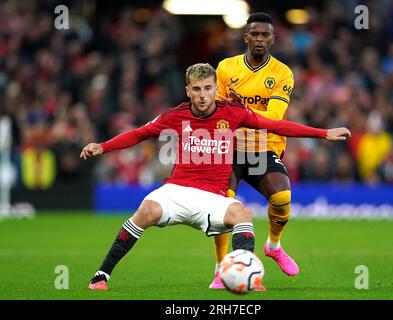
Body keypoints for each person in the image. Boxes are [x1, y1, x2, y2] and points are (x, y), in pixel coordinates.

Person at [80, 63, 350, 291]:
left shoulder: (233, 113)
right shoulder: (174, 116)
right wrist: (102, 146)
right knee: (145, 210)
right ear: (188, 90)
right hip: (176, 191)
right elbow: (138, 134)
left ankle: (245, 275)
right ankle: (101, 276)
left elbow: (277, 125)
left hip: (213, 198)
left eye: (208, 88)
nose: (202, 95)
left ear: (215, 89)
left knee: (243, 214)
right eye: (196, 89)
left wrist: (323, 133)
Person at [209, 12, 302, 289]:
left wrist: (241, 108)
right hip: (231, 147)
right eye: (254, 34)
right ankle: (220, 268)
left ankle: (273, 246)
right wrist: (232, 111)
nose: (259, 39)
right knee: (223, 204)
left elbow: (274, 116)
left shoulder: (282, 73)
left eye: (265, 35)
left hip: (264, 146)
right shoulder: (226, 68)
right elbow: (215, 111)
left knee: (283, 196)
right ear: (245, 36)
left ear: (273, 39)